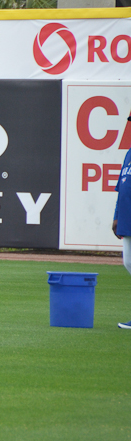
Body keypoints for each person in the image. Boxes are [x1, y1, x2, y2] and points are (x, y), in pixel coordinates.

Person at [112, 110, 131, 329]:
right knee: (128, 262)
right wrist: (117, 217)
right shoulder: (129, 154)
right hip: (127, 217)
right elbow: (122, 187)